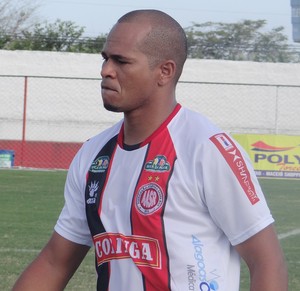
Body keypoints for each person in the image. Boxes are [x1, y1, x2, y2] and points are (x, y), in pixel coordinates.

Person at [12, 9, 288, 291]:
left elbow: (267, 262)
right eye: (106, 58)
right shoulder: (93, 155)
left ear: (164, 72)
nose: (106, 70)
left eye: (121, 61)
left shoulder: (207, 149)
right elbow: (54, 262)